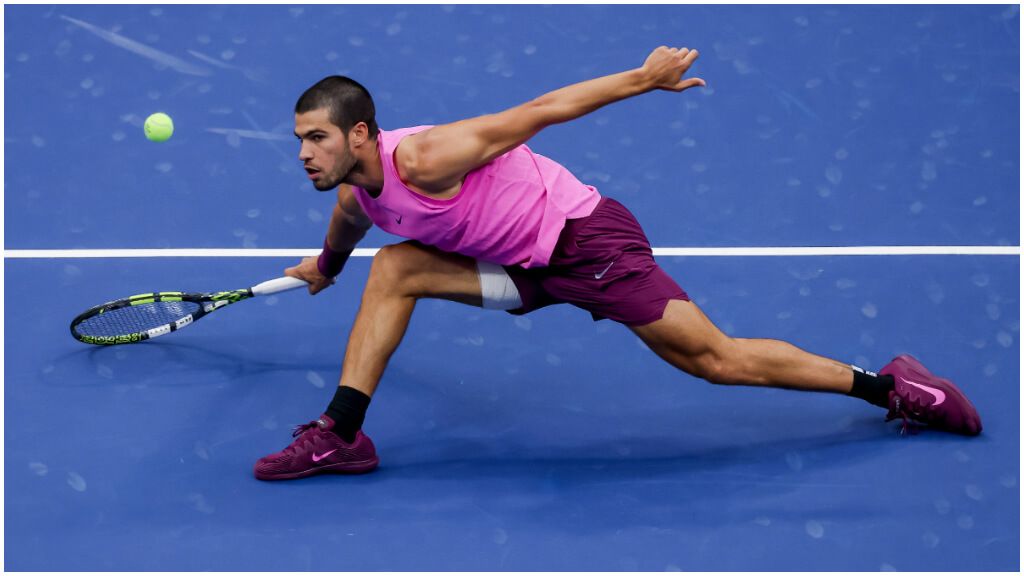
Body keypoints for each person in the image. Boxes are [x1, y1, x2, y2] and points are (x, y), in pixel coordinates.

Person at [253, 46, 982, 481]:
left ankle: (891, 388)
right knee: (394, 269)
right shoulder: (358, 188)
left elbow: (540, 109)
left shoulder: (426, 156)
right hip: (522, 271)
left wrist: (642, 78)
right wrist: (326, 265)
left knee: (716, 361)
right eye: (298, 140)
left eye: (315, 138)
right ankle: (342, 436)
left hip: (585, 243)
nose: (304, 154)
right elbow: (349, 225)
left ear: (359, 133)